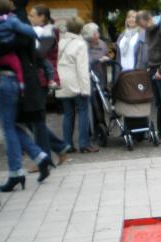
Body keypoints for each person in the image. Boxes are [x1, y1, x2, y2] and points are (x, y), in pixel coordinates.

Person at [0, 0, 52, 192]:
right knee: (13, 126)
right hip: (17, 81)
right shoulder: (17, 27)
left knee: (7, 128)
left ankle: (16, 172)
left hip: (5, 81)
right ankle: (40, 157)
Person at [28, 4, 70, 168]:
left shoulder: (47, 33)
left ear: (42, 17)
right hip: (35, 79)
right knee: (32, 120)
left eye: (32, 15)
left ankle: (43, 159)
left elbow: (38, 54)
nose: (29, 18)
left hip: (41, 80)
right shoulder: (38, 32)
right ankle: (59, 147)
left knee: (35, 120)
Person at [56, 16, 98, 153]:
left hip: (62, 83)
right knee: (83, 112)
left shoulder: (60, 42)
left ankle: (67, 144)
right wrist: (86, 89)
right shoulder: (80, 44)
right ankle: (84, 144)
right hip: (77, 84)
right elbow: (82, 69)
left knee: (68, 114)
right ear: (81, 29)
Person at [137, 10, 161, 145]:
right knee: (158, 104)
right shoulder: (149, 27)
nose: (145, 29)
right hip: (153, 67)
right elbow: (149, 47)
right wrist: (149, 66)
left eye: (144, 25)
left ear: (149, 19)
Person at [115, 11, 149, 142]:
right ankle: (128, 130)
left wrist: (139, 72)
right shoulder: (122, 36)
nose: (131, 19)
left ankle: (140, 132)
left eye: (134, 17)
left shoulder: (142, 35)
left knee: (138, 102)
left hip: (136, 73)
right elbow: (118, 56)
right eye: (129, 17)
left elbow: (144, 55)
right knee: (126, 102)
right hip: (123, 74)